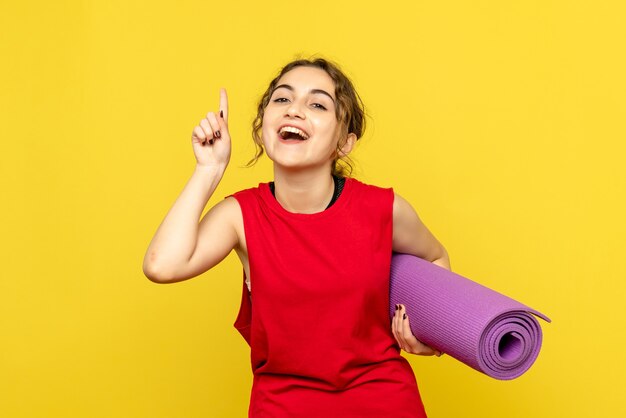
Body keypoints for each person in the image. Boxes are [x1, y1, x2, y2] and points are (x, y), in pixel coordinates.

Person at [143, 57, 450, 417]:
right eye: (282, 99)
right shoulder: (240, 215)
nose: (295, 111)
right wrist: (208, 169)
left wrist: (432, 334)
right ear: (262, 128)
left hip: (383, 402)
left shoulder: (385, 209)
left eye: (317, 104)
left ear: (345, 141)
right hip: (282, 406)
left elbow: (435, 258)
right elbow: (162, 266)